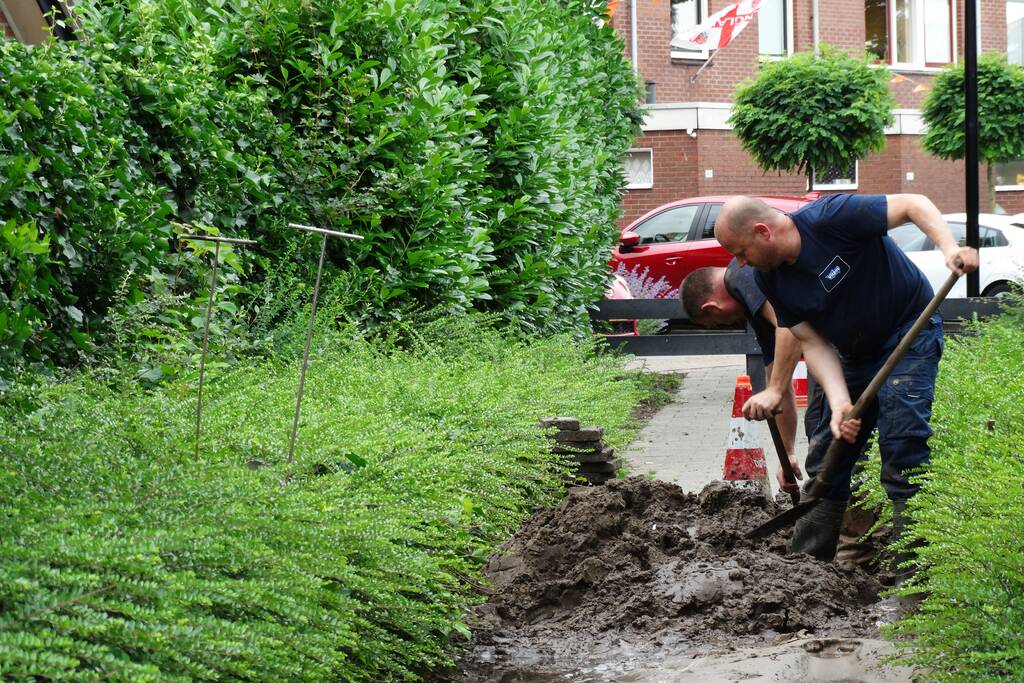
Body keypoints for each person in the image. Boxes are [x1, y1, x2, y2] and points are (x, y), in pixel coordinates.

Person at [713, 193, 977, 570]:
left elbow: (913, 204)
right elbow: (813, 343)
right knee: (829, 453)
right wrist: (839, 403)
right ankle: (806, 571)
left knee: (902, 445)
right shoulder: (768, 279)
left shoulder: (832, 218)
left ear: (762, 232)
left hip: (909, 333)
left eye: (741, 252)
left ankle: (914, 581)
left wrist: (949, 248)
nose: (740, 263)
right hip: (854, 353)